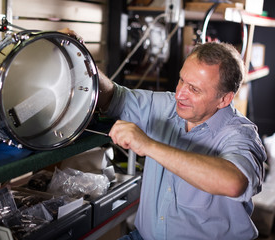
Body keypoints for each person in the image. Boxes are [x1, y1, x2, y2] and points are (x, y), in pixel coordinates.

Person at [96, 41, 267, 239]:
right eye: (181, 80)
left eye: (194, 89)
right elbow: (114, 97)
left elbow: (234, 182)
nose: (179, 94)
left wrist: (148, 145)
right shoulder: (167, 106)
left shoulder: (240, 134)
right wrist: (85, 65)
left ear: (224, 99)